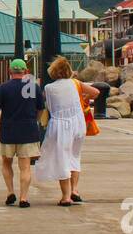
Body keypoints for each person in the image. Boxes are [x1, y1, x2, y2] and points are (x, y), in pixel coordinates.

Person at [33, 56, 102, 206]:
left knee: (62, 158)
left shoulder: (49, 88)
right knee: (74, 156)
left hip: (60, 124)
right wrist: (83, 97)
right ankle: (74, 190)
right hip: (78, 123)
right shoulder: (76, 83)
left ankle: (66, 196)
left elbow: (48, 106)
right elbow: (96, 92)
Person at [0, 59, 43, 207]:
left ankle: (10, 192)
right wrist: (34, 121)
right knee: (25, 167)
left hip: (8, 131)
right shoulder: (33, 87)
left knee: (6, 163)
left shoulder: (3, 88)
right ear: (25, 71)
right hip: (28, 131)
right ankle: (23, 198)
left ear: (10, 71)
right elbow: (40, 109)